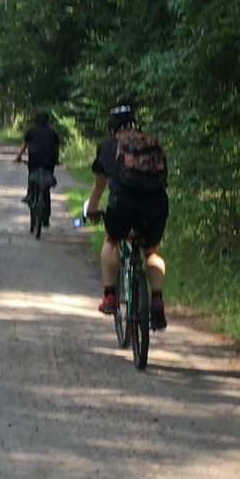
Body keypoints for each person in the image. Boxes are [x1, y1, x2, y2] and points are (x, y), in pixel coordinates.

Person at [85, 103, 168, 328]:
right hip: (156, 205)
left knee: (112, 240)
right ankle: (157, 298)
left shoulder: (107, 145)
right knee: (152, 250)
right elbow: (163, 179)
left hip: (123, 205)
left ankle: (110, 295)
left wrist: (92, 210)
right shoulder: (152, 143)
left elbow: (99, 186)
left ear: (112, 128)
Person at [16, 111, 60, 223]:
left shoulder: (31, 131)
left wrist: (19, 156)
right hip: (49, 162)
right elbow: (56, 147)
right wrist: (57, 160)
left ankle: (30, 194)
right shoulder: (52, 132)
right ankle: (46, 217)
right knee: (46, 186)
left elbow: (25, 145)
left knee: (32, 177)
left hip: (34, 160)